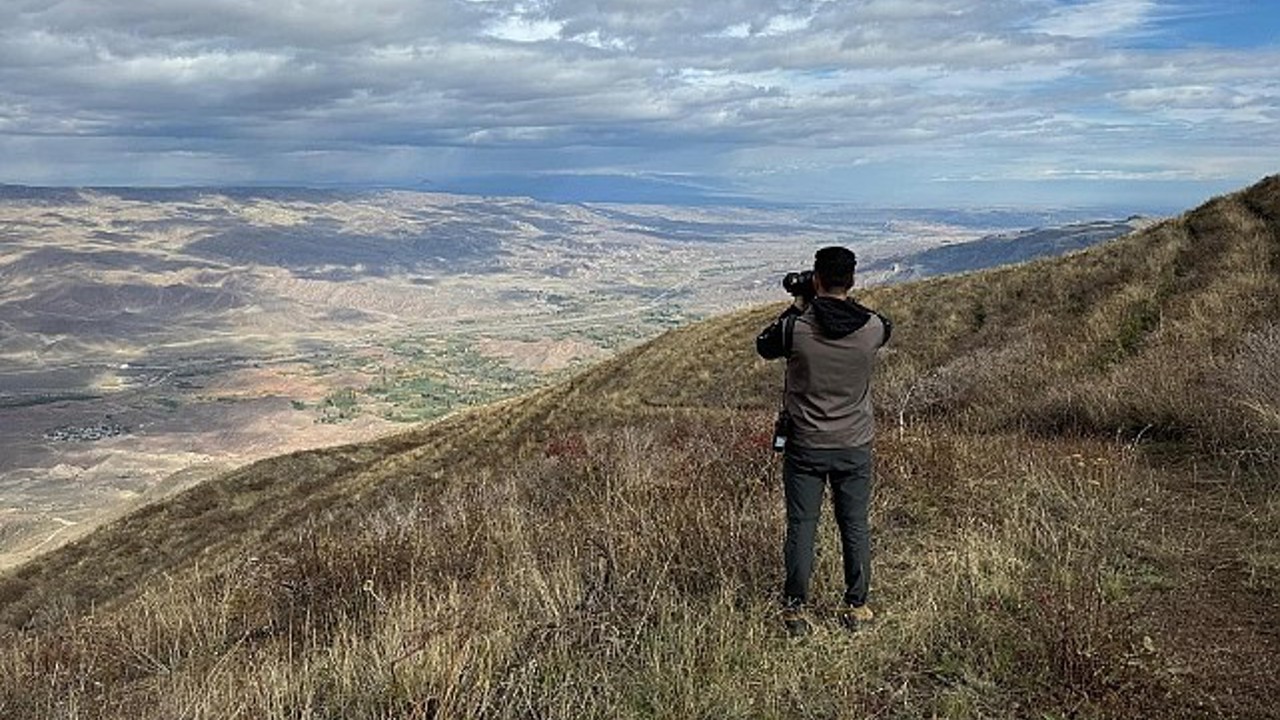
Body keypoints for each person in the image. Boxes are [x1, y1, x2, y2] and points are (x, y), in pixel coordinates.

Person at [755, 246, 892, 636]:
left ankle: (795, 611)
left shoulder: (795, 329)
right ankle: (857, 606)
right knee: (855, 525)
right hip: (854, 445)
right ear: (851, 280)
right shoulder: (871, 329)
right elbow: (881, 321)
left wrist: (801, 303)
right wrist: (837, 295)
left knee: (802, 525)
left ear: (816, 278)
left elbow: (764, 345)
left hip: (806, 446)